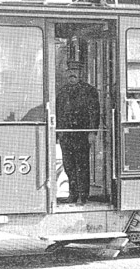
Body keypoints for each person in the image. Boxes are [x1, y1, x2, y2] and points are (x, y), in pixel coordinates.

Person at [56, 70, 100, 204]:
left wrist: (92, 132)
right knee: (68, 165)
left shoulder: (89, 91)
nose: (71, 75)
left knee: (81, 165)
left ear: (80, 74)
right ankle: (72, 193)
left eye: (75, 72)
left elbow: (94, 112)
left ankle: (83, 195)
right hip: (66, 134)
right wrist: (58, 133)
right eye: (69, 72)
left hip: (82, 133)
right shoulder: (62, 92)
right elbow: (58, 112)